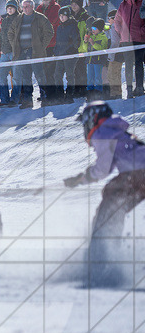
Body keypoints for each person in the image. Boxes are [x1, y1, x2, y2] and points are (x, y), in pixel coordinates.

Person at [64, 102, 145, 283]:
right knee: (113, 197)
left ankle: (101, 256)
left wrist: (83, 178)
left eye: (85, 123)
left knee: (110, 203)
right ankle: (107, 250)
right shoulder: (115, 130)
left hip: (139, 175)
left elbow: (102, 169)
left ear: (93, 119)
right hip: (138, 175)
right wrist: (83, 178)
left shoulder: (103, 133)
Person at [12, 0, 55, 108]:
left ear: (32, 7)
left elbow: (49, 31)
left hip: (35, 51)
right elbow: (10, 32)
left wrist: (41, 46)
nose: (24, 9)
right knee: (25, 77)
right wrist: (15, 45)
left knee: (39, 75)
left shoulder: (40, 18)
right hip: (22, 51)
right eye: (23, 7)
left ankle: (44, 97)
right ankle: (28, 100)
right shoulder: (18, 19)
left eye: (27, 6)